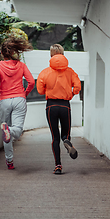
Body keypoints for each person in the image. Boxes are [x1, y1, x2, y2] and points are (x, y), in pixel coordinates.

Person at [0, 37, 35, 170]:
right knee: (17, 130)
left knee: (6, 132)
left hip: (4, 100)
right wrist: (24, 93)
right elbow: (31, 82)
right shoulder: (21, 65)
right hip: (19, 99)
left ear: (2, 53)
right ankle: (10, 130)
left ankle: (9, 162)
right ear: (14, 51)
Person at [36, 44, 81, 174]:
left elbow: (39, 90)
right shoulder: (70, 72)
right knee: (65, 134)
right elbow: (77, 87)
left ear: (51, 55)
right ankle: (67, 141)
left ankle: (58, 166)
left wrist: (48, 90)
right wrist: (71, 94)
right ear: (63, 53)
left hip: (51, 106)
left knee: (54, 137)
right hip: (65, 105)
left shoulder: (45, 72)